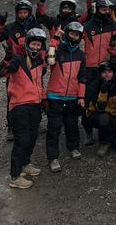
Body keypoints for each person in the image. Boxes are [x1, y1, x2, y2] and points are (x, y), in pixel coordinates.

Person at [0, 27, 47, 189]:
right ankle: (15, 176)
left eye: (38, 45)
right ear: (27, 44)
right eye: (33, 44)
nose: (35, 48)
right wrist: (7, 58)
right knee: (22, 140)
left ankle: (25, 164)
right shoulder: (17, 60)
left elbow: (38, 83)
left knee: (32, 137)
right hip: (19, 106)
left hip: (35, 105)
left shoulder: (39, 61)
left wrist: (44, 100)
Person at [0, 0, 40, 141]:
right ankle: (11, 127)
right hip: (15, 65)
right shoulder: (10, 28)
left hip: (33, 65)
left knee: (35, 94)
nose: (23, 15)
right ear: (16, 13)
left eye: (25, 12)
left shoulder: (35, 27)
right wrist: (0, 24)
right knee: (12, 96)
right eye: (20, 13)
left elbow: (42, 45)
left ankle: (34, 122)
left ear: (30, 13)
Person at [45, 22, 86, 173]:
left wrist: (81, 96)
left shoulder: (81, 55)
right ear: (67, 33)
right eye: (72, 33)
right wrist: (55, 38)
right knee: (54, 127)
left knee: (72, 124)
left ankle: (73, 147)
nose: (74, 37)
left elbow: (82, 77)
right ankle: (53, 157)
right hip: (55, 95)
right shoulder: (58, 50)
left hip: (72, 96)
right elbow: (49, 60)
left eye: (77, 35)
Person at [82, 0, 116, 144]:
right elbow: (73, 33)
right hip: (90, 67)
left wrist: (114, 57)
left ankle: (106, 132)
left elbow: (115, 45)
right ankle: (88, 132)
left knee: (107, 99)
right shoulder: (87, 26)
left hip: (106, 67)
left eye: (107, 9)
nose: (105, 12)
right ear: (97, 9)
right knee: (88, 100)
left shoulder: (114, 26)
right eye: (103, 9)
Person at [84, 61, 116, 156]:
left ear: (113, 73)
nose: (107, 75)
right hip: (98, 115)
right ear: (100, 74)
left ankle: (112, 135)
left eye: (109, 72)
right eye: (104, 72)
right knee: (104, 117)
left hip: (115, 116)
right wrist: (103, 91)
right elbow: (98, 107)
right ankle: (104, 142)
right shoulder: (95, 86)